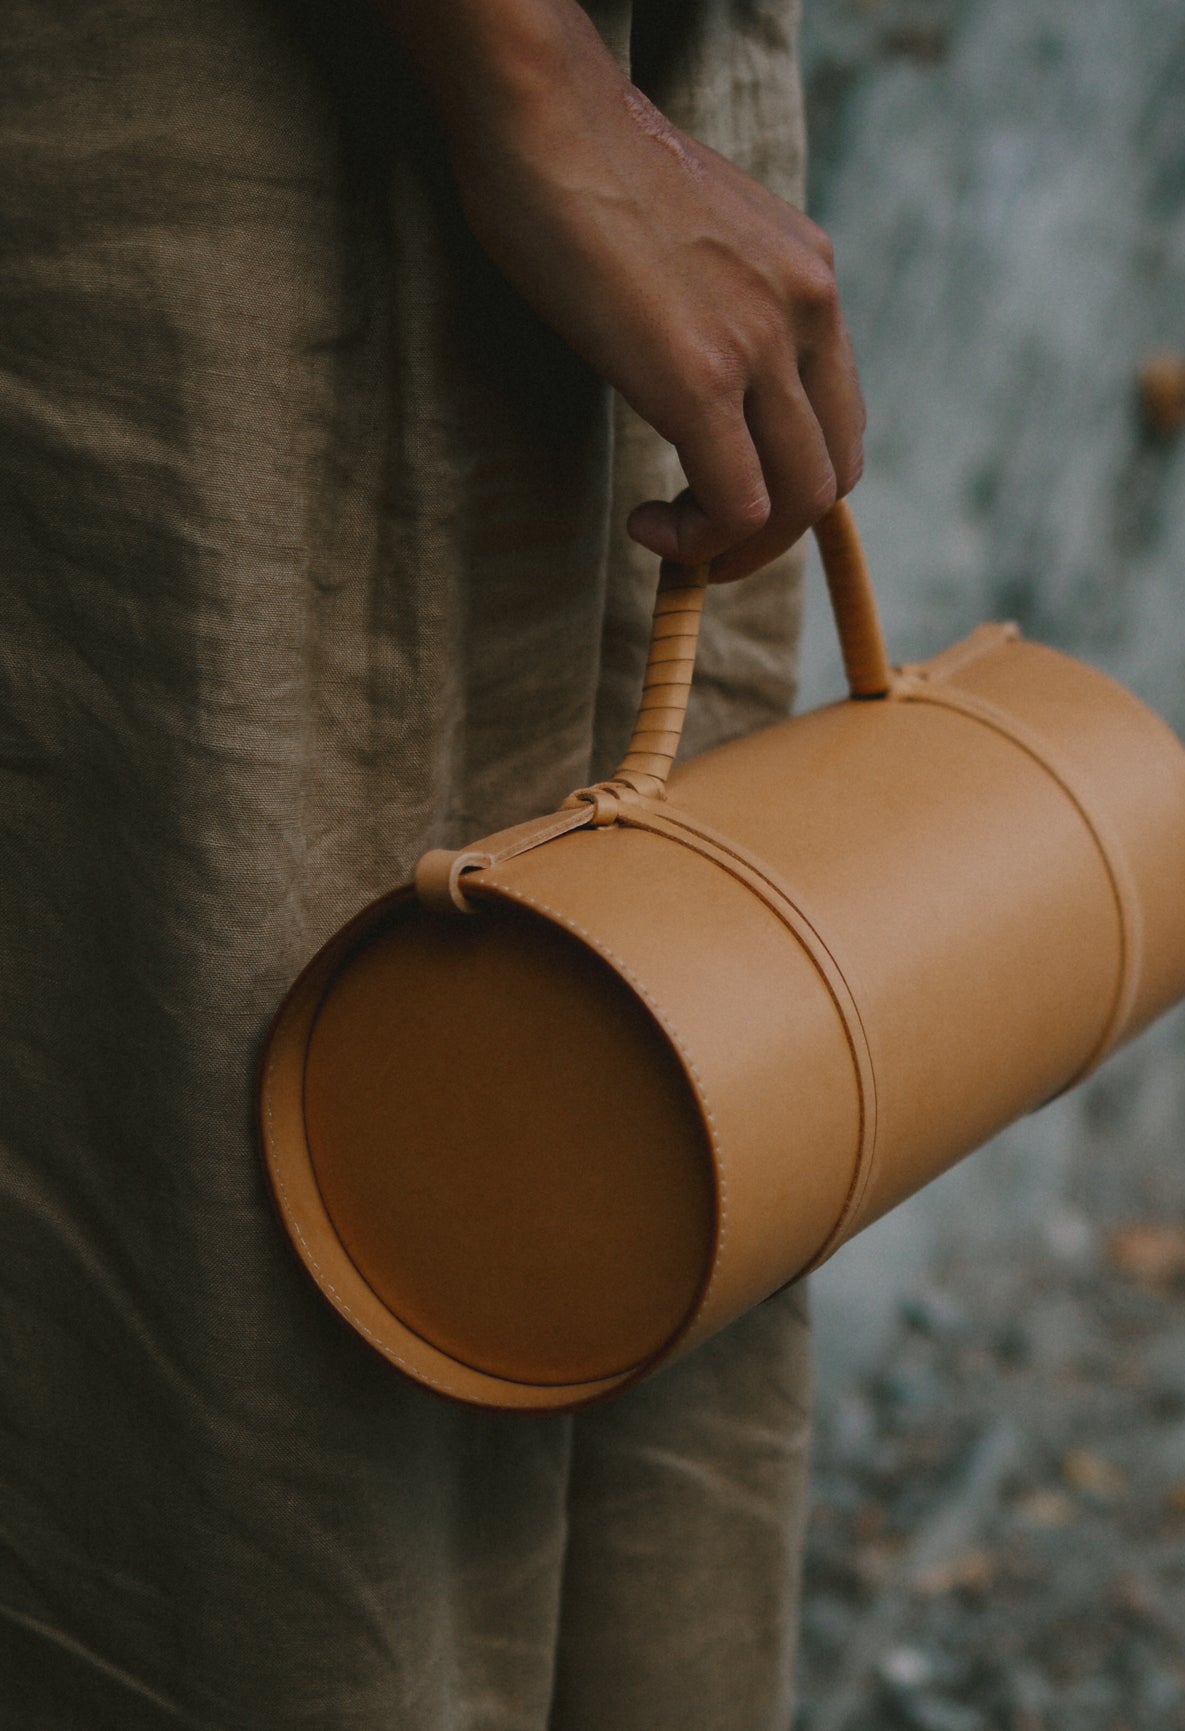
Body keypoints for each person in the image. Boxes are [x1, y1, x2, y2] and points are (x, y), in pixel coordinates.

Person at [0, 0, 863, 1725]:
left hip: (625, 99)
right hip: (273, 94)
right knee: (259, 1305)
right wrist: (533, 81)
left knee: (673, 1131)